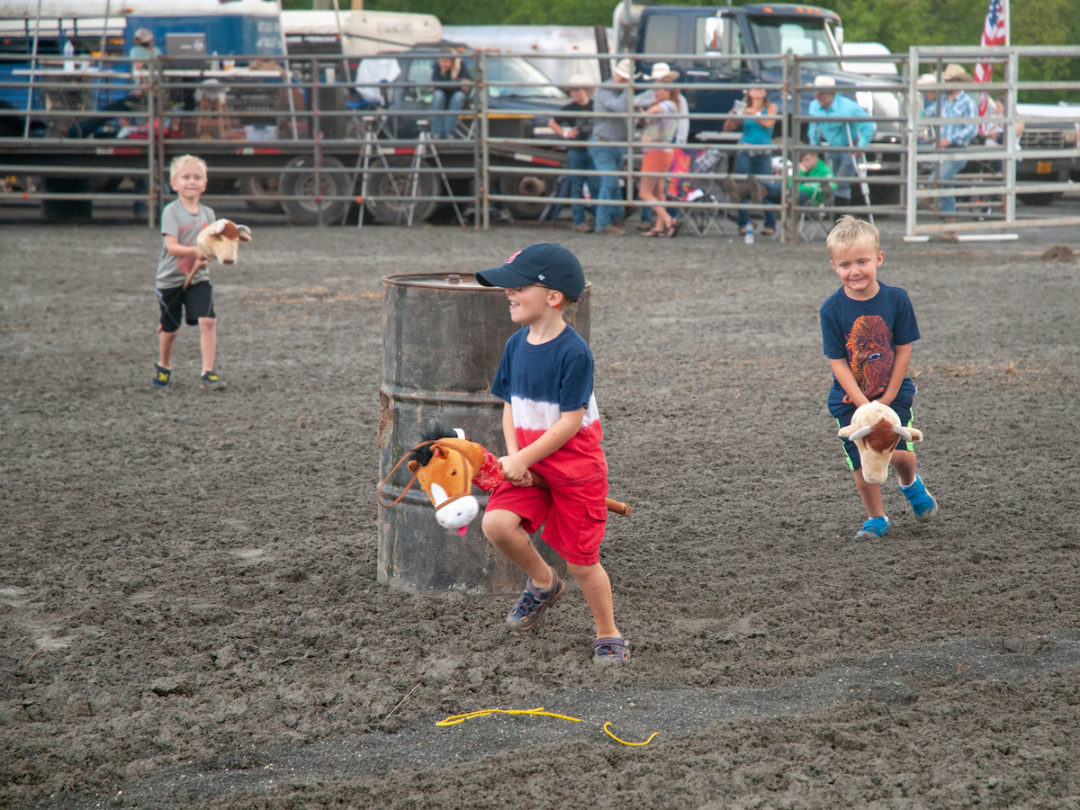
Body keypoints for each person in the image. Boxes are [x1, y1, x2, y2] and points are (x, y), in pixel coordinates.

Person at [475, 243, 627, 665]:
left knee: (582, 562)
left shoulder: (573, 353)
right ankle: (543, 582)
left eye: (517, 286)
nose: (508, 293)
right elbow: (508, 405)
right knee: (497, 524)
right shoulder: (515, 346)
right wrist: (514, 456)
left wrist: (523, 459)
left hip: (576, 471)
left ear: (553, 297)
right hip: (528, 464)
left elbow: (569, 422)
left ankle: (608, 632)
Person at [819, 216, 938, 540]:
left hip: (893, 395)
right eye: (845, 264)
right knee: (863, 462)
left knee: (898, 454)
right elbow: (838, 362)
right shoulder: (830, 309)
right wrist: (862, 405)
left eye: (862, 261)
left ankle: (910, 483)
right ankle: (877, 518)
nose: (854, 270)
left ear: (879, 259)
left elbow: (902, 349)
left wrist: (886, 400)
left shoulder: (897, 299)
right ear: (834, 266)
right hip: (850, 401)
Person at [153, 155, 225, 391]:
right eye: (186, 177)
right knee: (171, 330)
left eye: (197, 177)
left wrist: (209, 255)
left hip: (199, 278)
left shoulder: (209, 215)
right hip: (171, 279)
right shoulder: (171, 212)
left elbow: (212, 246)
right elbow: (171, 247)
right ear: (174, 184)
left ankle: (208, 371)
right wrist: (196, 251)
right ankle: (164, 365)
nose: (191, 182)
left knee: (208, 321)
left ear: (204, 184)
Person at [918, 64, 978, 239]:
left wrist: (949, 139)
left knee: (940, 178)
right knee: (945, 184)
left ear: (958, 82)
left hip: (957, 149)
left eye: (949, 81)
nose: (945, 84)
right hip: (941, 150)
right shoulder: (942, 101)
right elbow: (926, 115)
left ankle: (926, 198)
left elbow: (972, 129)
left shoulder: (967, 103)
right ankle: (950, 228)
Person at [806, 76, 876, 213]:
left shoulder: (848, 107)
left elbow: (868, 125)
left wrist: (860, 146)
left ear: (830, 93)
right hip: (832, 148)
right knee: (831, 182)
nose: (817, 96)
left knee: (841, 183)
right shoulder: (814, 106)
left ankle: (838, 220)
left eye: (820, 93)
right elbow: (813, 129)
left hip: (848, 147)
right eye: (816, 93)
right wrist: (813, 148)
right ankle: (834, 213)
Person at [721, 81, 779, 236]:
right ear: (749, 93)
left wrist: (751, 112)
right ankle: (744, 223)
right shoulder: (743, 108)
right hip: (745, 151)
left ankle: (770, 224)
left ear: (765, 93)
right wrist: (733, 116)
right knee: (744, 187)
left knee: (766, 187)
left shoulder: (770, 108)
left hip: (763, 152)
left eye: (761, 88)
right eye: (754, 88)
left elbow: (769, 123)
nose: (758, 90)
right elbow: (727, 128)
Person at [588, 58, 635, 235]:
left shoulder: (614, 90)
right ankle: (603, 223)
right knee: (609, 182)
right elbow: (620, 107)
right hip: (604, 143)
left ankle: (616, 218)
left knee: (614, 184)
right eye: (622, 77)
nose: (621, 80)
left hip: (614, 143)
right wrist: (628, 89)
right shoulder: (607, 90)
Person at [548, 76, 598, 233]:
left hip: (593, 150)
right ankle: (579, 221)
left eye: (578, 90)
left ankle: (598, 220)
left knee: (595, 186)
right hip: (576, 150)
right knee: (576, 187)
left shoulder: (596, 106)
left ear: (586, 90)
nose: (575, 94)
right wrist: (564, 133)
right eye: (572, 91)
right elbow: (552, 122)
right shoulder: (569, 108)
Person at [635, 68, 681, 238]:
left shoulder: (666, 105)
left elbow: (653, 112)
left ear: (668, 91)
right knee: (658, 190)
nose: (656, 92)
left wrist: (643, 112)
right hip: (660, 152)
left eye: (659, 89)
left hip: (656, 153)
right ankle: (659, 227)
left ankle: (668, 220)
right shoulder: (670, 105)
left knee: (644, 192)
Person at [429, 50, 472, 139]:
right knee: (438, 95)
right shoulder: (437, 67)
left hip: (456, 99)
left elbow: (467, 86)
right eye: (441, 61)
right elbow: (435, 85)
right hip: (442, 98)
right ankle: (436, 133)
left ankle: (448, 133)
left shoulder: (461, 65)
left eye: (446, 62)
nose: (443, 64)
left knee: (458, 97)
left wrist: (445, 84)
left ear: (452, 62)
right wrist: (457, 83)